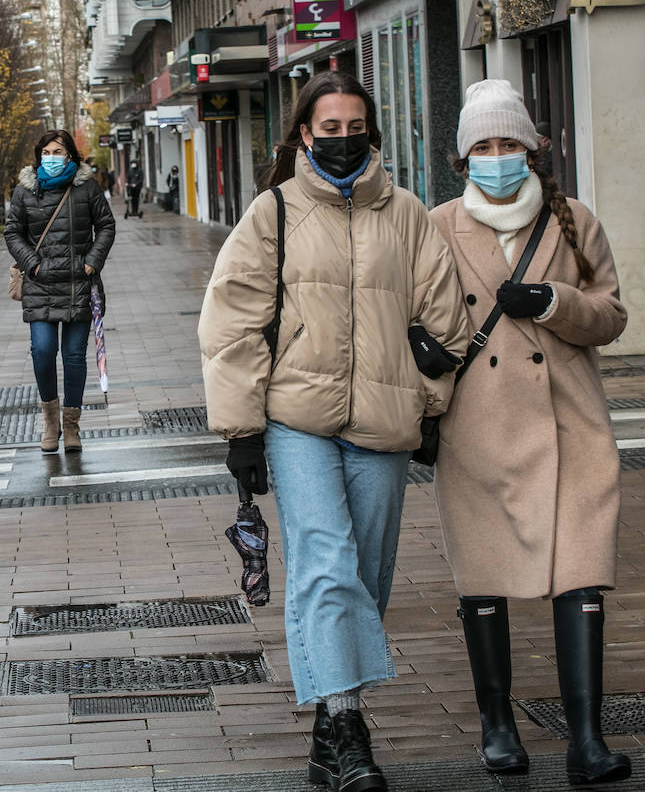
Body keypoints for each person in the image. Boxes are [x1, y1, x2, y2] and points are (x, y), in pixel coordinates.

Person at [199, 71, 469, 792]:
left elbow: (447, 322)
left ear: (371, 133)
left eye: (356, 129)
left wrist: (430, 402)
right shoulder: (273, 213)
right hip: (297, 420)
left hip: (385, 419)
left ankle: (326, 731)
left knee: (365, 578)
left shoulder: (408, 215)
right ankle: (351, 733)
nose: (343, 141)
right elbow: (230, 325)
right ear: (303, 134)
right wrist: (241, 428)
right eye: (329, 129)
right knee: (324, 563)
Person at [430, 79, 630, 786]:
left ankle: (586, 741)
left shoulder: (574, 218)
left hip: (571, 422)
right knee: (482, 575)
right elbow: (420, 315)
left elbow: (611, 314)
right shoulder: (439, 224)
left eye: (508, 143)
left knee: (582, 574)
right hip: (479, 425)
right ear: (463, 157)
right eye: (482, 145)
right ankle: (497, 725)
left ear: (532, 147)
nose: (496, 155)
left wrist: (554, 302)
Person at [5, 129, 116, 453]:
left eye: (59, 152)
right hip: (40, 284)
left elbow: (106, 225)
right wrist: (33, 263)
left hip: (78, 285)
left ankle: (71, 426)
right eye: (47, 152)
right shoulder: (25, 191)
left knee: (73, 357)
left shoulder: (86, 188)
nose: (52, 157)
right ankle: (50, 422)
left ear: (70, 156)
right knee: (42, 352)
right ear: (39, 155)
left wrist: (91, 262)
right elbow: (13, 233)